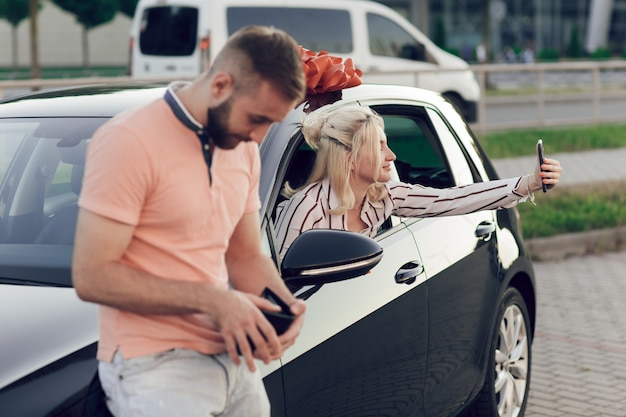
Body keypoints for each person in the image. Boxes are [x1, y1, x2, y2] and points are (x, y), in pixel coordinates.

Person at [72, 26, 307, 417]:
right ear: (220, 84)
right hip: (154, 366)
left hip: (234, 360)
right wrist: (214, 299)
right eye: (257, 118)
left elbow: (245, 255)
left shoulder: (243, 148)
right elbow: (91, 275)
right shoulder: (128, 140)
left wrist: (284, 305)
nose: (259, 136)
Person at [275, 105, 562, 260]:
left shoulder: (383, 195)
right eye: (380, 147)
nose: (392, 156)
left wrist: (529, 183)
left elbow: (451, 199)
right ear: (349, 158)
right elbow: (281, 284)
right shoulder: (308, 207)